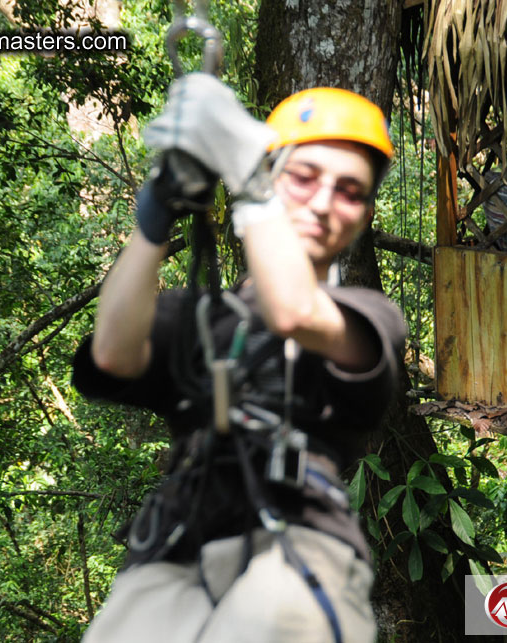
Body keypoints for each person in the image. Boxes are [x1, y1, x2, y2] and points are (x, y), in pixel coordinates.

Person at [71, 73, 406, 643]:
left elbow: (294, 312)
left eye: (350, 191)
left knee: (268, 623)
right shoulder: (203, 315)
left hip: (301, 541)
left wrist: (252, 181)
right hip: (178, 544)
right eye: (303, 177)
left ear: (365, 215)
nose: (324, 203)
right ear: (274, 179)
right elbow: (113, 353)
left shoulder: (366, 317)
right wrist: (153, 221)